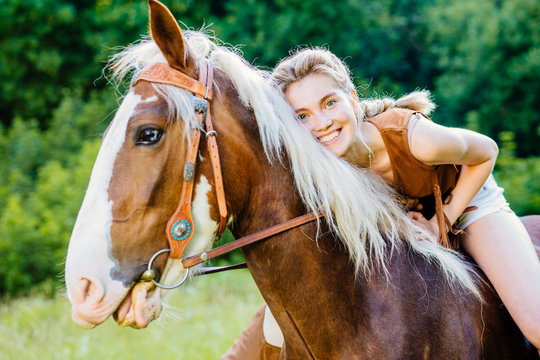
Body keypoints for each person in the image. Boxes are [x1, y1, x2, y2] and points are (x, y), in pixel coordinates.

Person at [222, 48, 540, 359]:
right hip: (407, 218)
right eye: (302, 116)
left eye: (329, 103)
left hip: (466, 202)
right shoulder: (318, 164)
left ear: (353, 98)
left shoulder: (416, 139)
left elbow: (487, 152)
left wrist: (441, 219)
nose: (321, 124)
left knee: (536, 326)